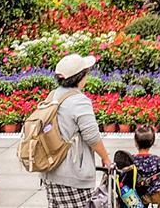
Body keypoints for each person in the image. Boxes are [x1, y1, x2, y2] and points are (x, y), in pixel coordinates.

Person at [43, 54, 111, 208]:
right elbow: (92, 136)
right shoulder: (79, 101)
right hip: (73, 175)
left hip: (51, 171)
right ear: (80, 77)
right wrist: (106, 158)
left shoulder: (53, 95)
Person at [131, 126, 160, 205]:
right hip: (154, 194)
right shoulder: (155, 159)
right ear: (152, 142)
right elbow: (159, 177)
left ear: (135, 142)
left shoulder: (132, 159)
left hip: (136, 194)